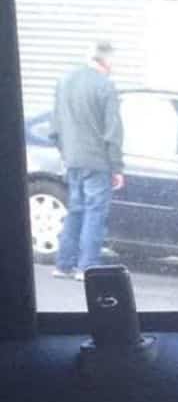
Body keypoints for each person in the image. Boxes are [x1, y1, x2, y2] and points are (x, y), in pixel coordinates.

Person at [48, 41, 125, 280]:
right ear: (107, 60)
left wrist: (66, 154)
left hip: (72, 159)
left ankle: (63, 264)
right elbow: (113, 132)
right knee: (95, 212)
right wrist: (117, 167)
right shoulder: (106, 86)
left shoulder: (65, 81)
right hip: (97, 162)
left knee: (76, 210)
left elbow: (55, 127)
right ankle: (87, 267)